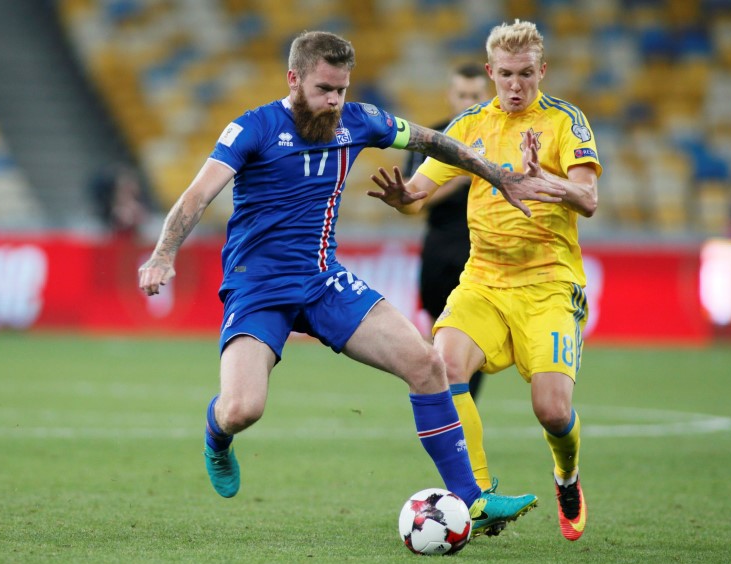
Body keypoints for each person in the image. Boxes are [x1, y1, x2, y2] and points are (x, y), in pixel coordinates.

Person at [138, 31, 567, 537]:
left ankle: (473, 499)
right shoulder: (252, 128)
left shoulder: (359, 121)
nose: (335, 101)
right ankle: (216, 434)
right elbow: (197, 195)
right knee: (242, 409)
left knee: (427, 363)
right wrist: (163, 254)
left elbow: (436, 141)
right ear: (293, 80)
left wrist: (498, 175)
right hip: (258, 288)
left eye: (342, 89)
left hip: (324, 282)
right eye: (324, 89)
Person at [368, 20, 601, 541]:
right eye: (505, 75)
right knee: (441, 364)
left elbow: (588, 199)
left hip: (547, 284)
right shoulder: (468, 125)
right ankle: (477, 497)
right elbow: (418, 194)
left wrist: (549, 182)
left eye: (525, 75)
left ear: (542, 71)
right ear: (491, 72)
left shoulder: (566, 122)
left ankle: (567, 474)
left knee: (552, 410)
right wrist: (403, 198)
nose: (515, 86)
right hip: (484, 281)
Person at [403, 62, 490, 401]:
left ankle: (463, 412)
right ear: (450, 96)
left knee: (479, 342)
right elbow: (415, 199)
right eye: (462, 95)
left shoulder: (503, 140)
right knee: (442, 343)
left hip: (481, 254)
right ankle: (444, 409)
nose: (468, 102)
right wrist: (465, 173)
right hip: (440, 254)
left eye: (476, 95)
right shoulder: (432, 139)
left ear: (488, 96)